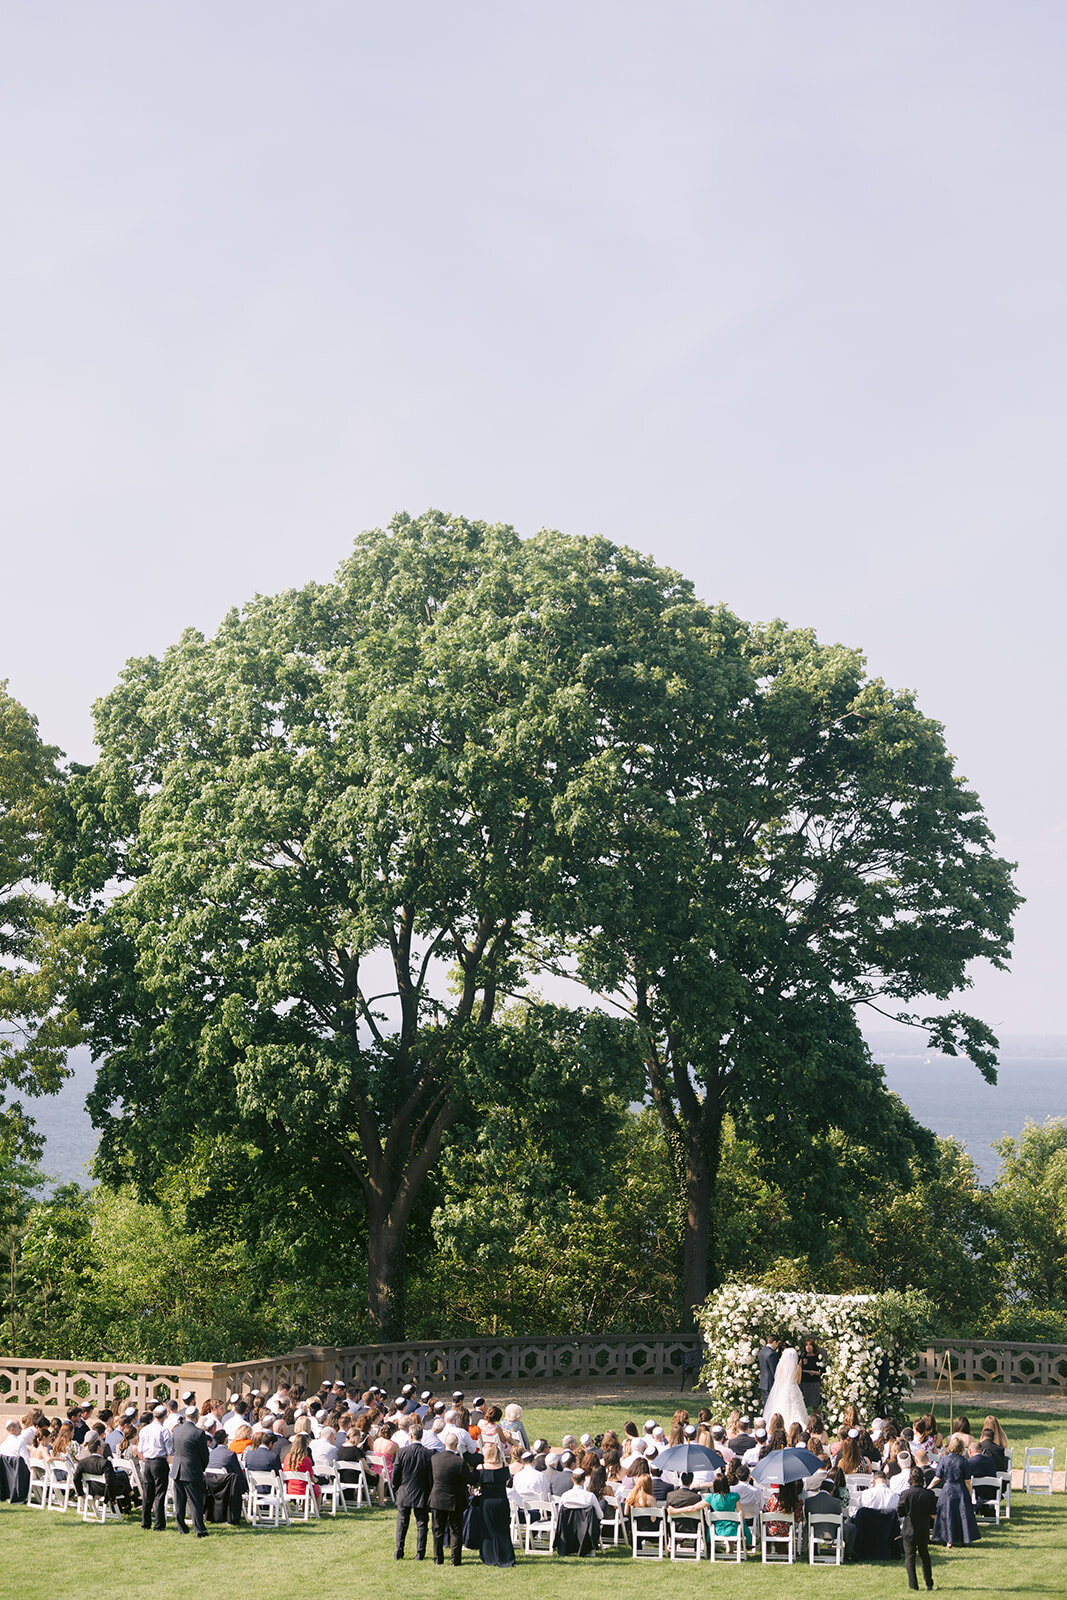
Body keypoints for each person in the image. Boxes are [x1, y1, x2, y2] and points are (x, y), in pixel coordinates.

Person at [430, 1430, 472, 1566]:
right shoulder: (459, 1462)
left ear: (444, 1444)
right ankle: (456, 1559)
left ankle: (438, 1558)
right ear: (456, 1445)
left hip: (437, 1498)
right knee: (456, 1531)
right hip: (454, 1500)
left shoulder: (434, 1458)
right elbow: (468, 1478)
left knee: (438, 1530)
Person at [393, 1420, 432, 1560]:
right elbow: (430, 1477)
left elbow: (395, 1473)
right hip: (421, 1492)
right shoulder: (428, 1454)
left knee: (402, 1524)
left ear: (410, 1436)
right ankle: (420, 1553)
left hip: (405, 1491)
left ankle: (399, 1551)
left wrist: (396, 1488)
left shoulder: (402, 1452)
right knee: (421, 1524)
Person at [931, 1438, 980, 1547]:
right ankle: (963, 1539)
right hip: (960, 1489)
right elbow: (967, 1481)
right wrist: (969, 1492)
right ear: (961, 1448)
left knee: (948, 1514)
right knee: (962, 1514)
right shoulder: (964, 1461)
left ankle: (949, 1541)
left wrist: (928, 1487)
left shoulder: (943, 1460)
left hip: (948, 1489)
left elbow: (937, 1477)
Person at [171, 1405, 210, 1537]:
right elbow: (204, 1455)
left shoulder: (176, 1430)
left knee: (179, 1502)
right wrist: (201, 1467)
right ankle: (199, 1529)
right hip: (191, 1470)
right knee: (195, 1501)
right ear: (197, 1417)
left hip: (177, 1469)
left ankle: (181, 1527)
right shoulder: (198, 1433)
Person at [475, 1443, 515, 1567]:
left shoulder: (480, 1468)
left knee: (487, 1529)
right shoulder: (504, 1467)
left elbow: (476, 1483)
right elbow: (508, 1483)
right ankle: (505, 1555)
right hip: (501, 1501)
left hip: (487, 1501)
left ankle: (489, 1555)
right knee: (503, 1529)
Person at [898, 1466, 937, 1591]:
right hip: (923, 1529)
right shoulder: (929, 1494)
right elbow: (933, 1514)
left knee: (910, 1557)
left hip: (909, 1529)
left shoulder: (905, 1494)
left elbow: (901, 1512)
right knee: (924, 1556)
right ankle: (929, 1583)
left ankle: (913, 1585)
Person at [138, 1404, 173, 1530]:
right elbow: (169, 1450)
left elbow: (140, 1449)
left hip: (148, 1462)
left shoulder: (144, 1430)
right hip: (159, 1461)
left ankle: (145, 1522)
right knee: (160, 1493)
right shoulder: (164, 1431)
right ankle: (159, 1524)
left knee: (148, 1493)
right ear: (165, 1416)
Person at [764, 1344, 808, 1430]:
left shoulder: (781, 1367)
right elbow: (798, 1381)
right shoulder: (798, 1367)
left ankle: (779, 1423)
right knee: (797, 1408)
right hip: (794, 1388)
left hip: (783, 1389)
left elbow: (778, 1379)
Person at [758, 1336, 781, 1411]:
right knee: (771, 1406)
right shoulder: (772, 1354)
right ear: (774, 1342)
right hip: (770, 1382)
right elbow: (774, 1370)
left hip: (763, 1382)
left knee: (766, 1404)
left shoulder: (762, 1351)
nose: (777, 1346)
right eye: (777, 1344)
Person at [800, 1338, 823, 1413]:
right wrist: (803, 1364)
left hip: (814, 1382)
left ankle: (817, 1419)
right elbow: (798, 1369)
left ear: (813, 1347)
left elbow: (822, 1371)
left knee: (815, 1404)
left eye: (810, 1345)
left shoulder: (818, 1357)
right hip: (805, 1383)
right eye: (806, 1345)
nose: (808, 1347)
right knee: (804, 1403)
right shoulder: (802, 1357)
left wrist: (814, 1372)